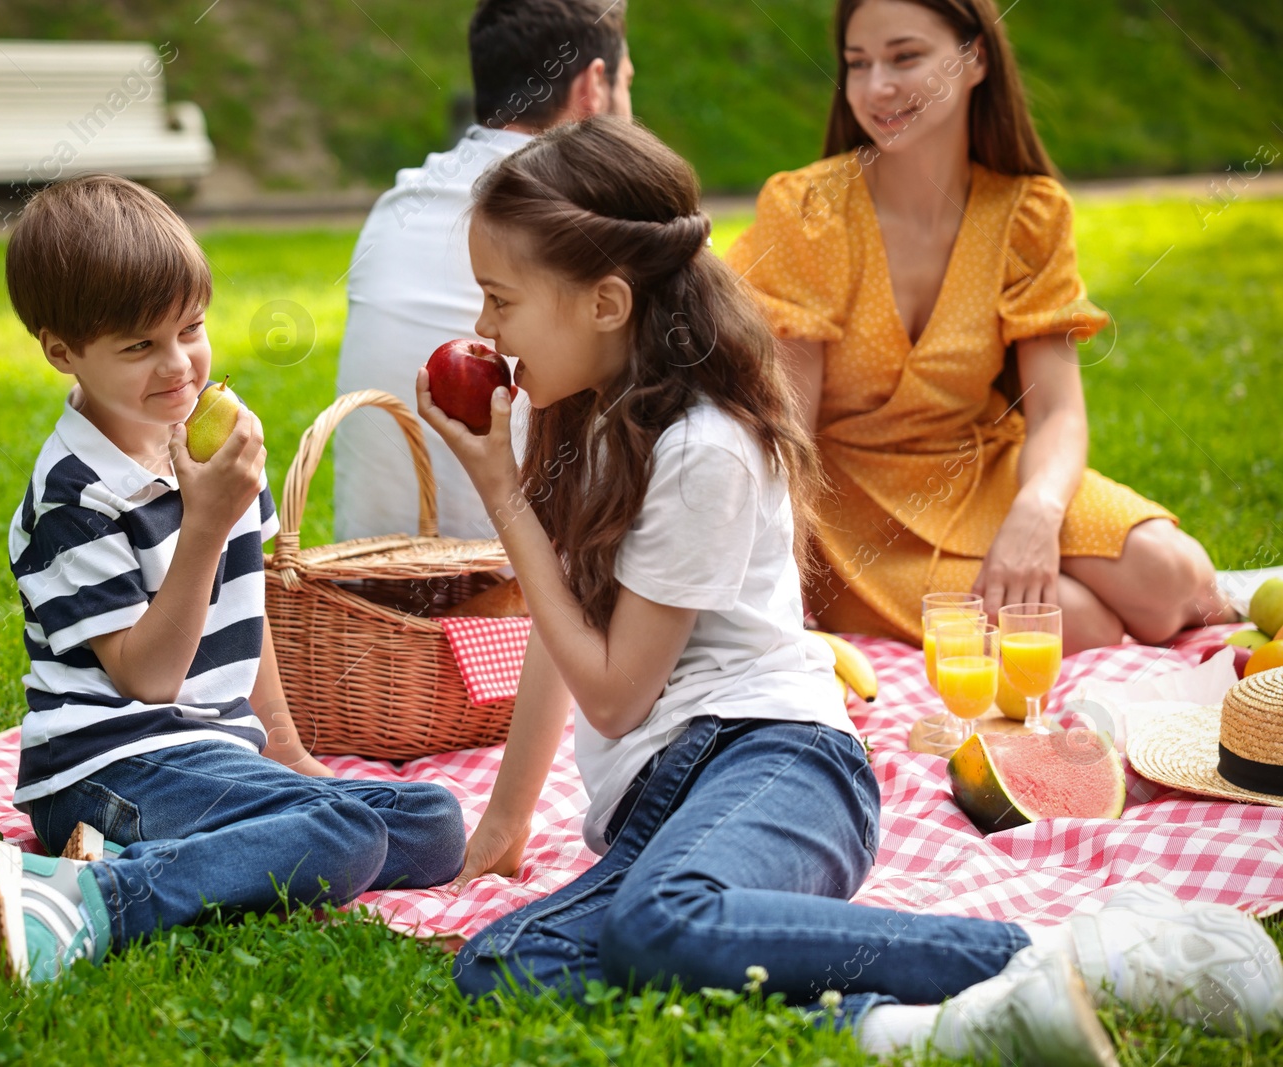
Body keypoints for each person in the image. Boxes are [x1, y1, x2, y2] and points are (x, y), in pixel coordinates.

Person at [416, 115, 1281, 1063]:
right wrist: (504, 823)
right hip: (662, 807)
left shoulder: (703, 448)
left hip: (776, 761)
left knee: (659, 925)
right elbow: (562, 620)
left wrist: (503, 500)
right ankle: (917, 1029)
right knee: (509, 960)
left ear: (607, 302)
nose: (483, 331)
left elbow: (616, 696)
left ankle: (1084, 955)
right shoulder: (584, 419)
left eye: (500, 301)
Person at [0, 174, 466, 984]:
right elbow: (148, 675)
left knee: (433, 822)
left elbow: (250, 611)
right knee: (344, 834)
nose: (179, 367)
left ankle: (165, 852)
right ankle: (93, 898)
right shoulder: (73, 494)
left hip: (210, 752)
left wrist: (288, 751)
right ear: (62, 350)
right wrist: (205, 520)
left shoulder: (212, 440)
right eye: (139, 347)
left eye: (191, 329)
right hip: (107, 765)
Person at [726, 0, 1238, 653]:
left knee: (1180, 583)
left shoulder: (1028, 213)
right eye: (859, 64)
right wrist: (783, 594)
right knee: (1080, 625)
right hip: (851, 513)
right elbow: (788, 436)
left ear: (975, 59)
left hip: (985, 468)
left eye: (904, 56)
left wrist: (1039, 511)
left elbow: (1056, 412)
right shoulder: (809, 213)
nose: (877, 85)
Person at [333, 0, 635, 542]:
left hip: (368, 573)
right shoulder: (586, 216)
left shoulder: (398, 203)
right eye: (627, 85)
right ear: (593, 86)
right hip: (516, 583)